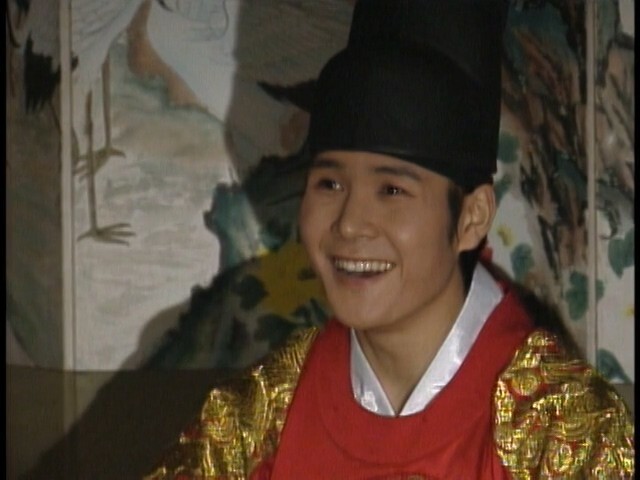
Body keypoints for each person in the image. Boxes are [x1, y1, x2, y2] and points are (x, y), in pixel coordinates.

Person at [143, 0, 634, 478]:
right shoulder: (257, 420)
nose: (350, 223)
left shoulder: (564, 436)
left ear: (471, 218)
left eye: (392, 190)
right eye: (330, 183)